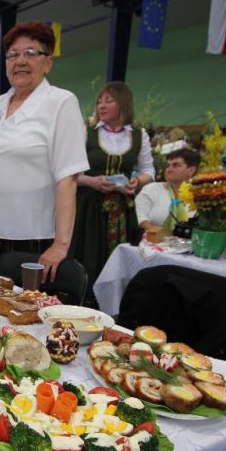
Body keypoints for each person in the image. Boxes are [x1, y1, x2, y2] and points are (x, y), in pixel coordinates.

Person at [0, 21, 88, 284]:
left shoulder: (61, 103)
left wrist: (60, 245)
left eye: (30, 53)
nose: (20, 61)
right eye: (13, 54)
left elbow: (68, 178)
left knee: (23, 319)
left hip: (34, 240)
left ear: (47, 62)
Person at [70, 81, 154, 294]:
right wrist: (91, 181)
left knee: (117, 256)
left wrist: (137, 182)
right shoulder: (86, 132)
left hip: (122, 209)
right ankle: (83, 300)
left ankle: (113, 305)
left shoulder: (138, 135)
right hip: (88, 206)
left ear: (123, 104)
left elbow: (148, 171)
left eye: (109, 100)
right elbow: (69, 173)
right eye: (99, 101)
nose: (101, 106)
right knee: (87, 254)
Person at [136, 148, 199, 231]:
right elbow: (140, 217)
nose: (169, 169)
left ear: (191, 170)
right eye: (168, 165)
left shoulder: (200, 194)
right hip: (154, 241)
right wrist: (156, 231)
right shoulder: (151, 189)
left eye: (176, 165)